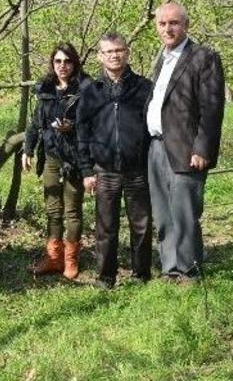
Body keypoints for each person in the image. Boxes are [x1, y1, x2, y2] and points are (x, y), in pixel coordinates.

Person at [146, 3, 225, 284]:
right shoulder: (162, 58)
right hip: (156, 146)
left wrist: (202, 148)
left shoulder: (203, 57)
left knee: (185, 213)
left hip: (186, 148)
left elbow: (211, 108)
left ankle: (189, 270)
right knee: (163, 213)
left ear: (186, 25)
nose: (168, 29)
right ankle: (171, 268)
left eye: (174, 23)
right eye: (162, 24)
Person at [77, 33, 153, 290]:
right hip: (105, 171)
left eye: (119, 50)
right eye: (108, 51)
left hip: (138, 170)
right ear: (100, 56)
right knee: (106, 227)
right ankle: (105, 277)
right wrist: (87, 170)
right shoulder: (91, 91)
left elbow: (155, 127)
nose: (114, 55)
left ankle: (141, 274)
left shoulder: (144, 87)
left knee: (141, 225)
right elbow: (82, 133)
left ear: (127, 52)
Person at [22, 42, 87, 279]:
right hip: (51, 156)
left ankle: (71, 260)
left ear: (74, 64)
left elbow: (93, 124)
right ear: (52, 64)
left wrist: (73, 127)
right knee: (52, 209)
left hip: (75, 159)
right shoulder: (46, 89)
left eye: (67, 61)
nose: (62, 66)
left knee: (72, 211)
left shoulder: (86, 89)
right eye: (58, 61)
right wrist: (28, 149)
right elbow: (35, 123)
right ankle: (53, 257)